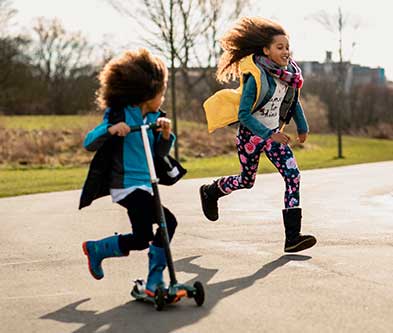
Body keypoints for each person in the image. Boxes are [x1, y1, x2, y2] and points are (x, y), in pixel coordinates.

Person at [201, 17, 316, 253]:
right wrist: (268, 134)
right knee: (247, 181)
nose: (285, 52)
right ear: (266, 50)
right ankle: (211, 191)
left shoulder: (288, 74)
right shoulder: (256, 76)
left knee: (293, 175)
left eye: (287, 47)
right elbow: (244, 114)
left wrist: (302, 127)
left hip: (274, 136)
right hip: (251, 135)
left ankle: (292, 237)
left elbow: (292, 102)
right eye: (279, 47)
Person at [80, 48, 178, 296]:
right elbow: (89, 141)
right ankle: (155, 281)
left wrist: (166, 135)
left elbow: (160, 153)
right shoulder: (119, 113)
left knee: (142, 237)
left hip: (146, 184)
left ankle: (98, 249)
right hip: (125, 185)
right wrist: (112, 129)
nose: (162, 99)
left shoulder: (156, 116)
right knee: (169, 222)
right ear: (146, 93)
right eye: (161, 94)